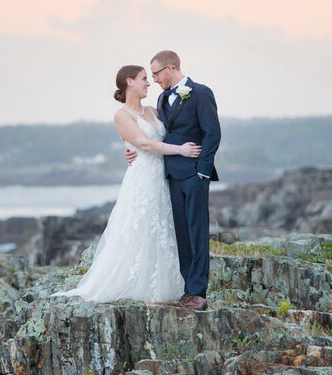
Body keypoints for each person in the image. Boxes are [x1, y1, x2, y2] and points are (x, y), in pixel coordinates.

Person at [51, 64, 202, 304]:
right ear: (129, 82)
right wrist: (181, 150)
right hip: (142, 179)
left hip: (162, 179)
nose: (149, 83)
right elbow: (144, 143)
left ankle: (164, 284)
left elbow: (170, 133)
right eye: (144, 78)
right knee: (139, 228)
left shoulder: (154, 110)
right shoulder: (122, 115)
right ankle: (138, 284)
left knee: (162, 229)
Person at [127, 50, 221, 311]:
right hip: (170, 174)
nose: (153, 79)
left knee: (197, 232)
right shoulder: (162, 98)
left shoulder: (201, 93)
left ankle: (198, 293)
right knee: (181, 234)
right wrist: (132, 149)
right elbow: (159, 134)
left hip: (194, 174)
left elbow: (212, 133)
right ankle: (187, 290)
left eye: (155, 73)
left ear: (170, 68)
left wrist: (203, 171)